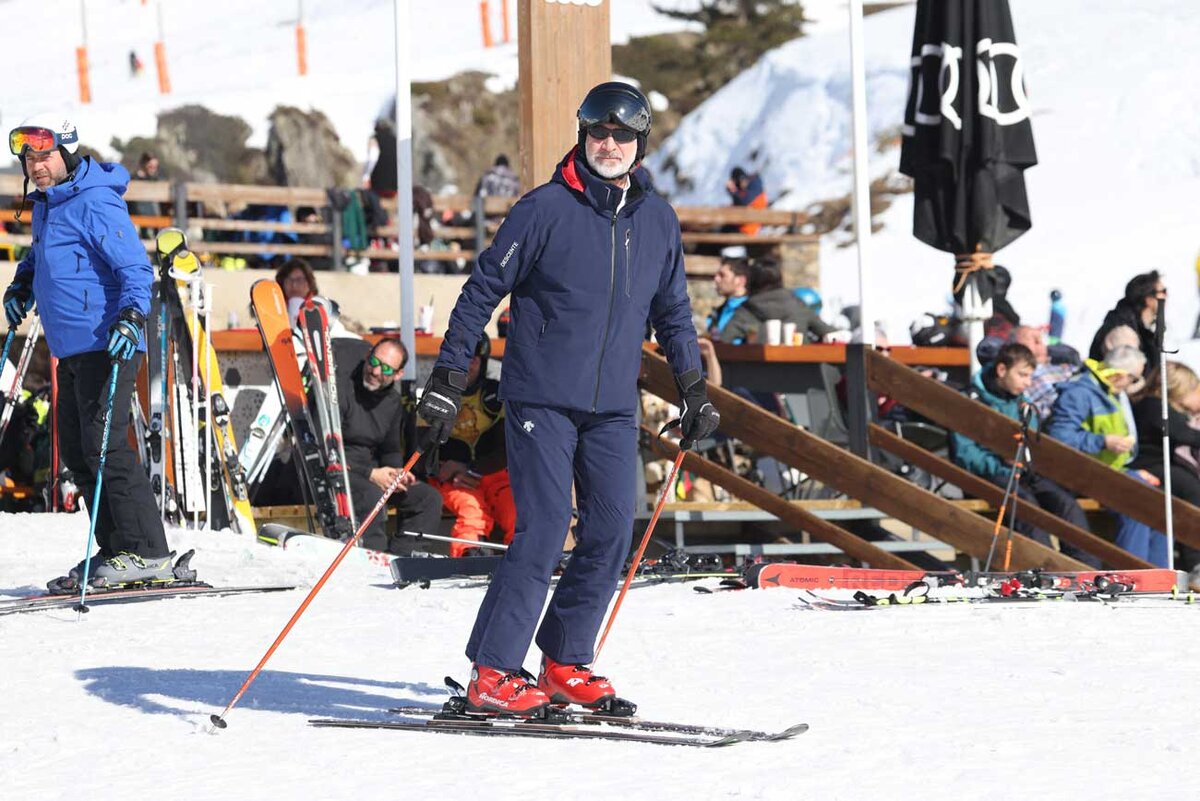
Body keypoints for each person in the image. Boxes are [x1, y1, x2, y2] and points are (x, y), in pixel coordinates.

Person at [416, 81, 719, 717]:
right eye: (598, 133)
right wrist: (446, 378)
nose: (609, 145)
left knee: (610, 529)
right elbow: (479, 293)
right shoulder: (542, 209)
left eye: (622, 136)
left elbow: (674, 313)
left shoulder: (658, 221)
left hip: (613, 405)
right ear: (582, 136)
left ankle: (563, 660)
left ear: (639, 145)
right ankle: (493, 671)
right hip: (541, 399)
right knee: (548, 525)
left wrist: (693, 389)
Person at [4, 114, 174, 586]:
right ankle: (117, 550)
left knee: (104, 446)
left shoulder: (95, 201)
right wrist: (22, 285)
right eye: (29, 159)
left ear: (66, 152)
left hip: (108, 343)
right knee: (78, 453)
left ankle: (148, 552)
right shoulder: (48, 204)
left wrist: (132, 316)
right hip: (71, 347)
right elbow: (42, 256)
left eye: (44, 156)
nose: (36, 166)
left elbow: (136, 269)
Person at [949, 343, 1100, 566]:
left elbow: (1035, 444)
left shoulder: (1023, 403)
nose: (1028, 383)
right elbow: (965, 453)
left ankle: (1085, 569)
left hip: (1025, 472)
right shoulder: (970, 400)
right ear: (1002, 370)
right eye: (1022, 375)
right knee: (1026, 505)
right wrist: (1001, 462)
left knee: (1065, 504)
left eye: (1030, 376)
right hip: (989, 474)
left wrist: (1028, 460)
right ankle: (1046, 570)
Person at [1046, 345, 1165, 564]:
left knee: (1160, 505)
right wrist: (1103, 441)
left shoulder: (1110, 392)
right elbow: (1059, 438)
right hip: (1080, 474)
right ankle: (1133, 574)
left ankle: (1160, 575)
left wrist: (1132, 471)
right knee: (1135, 504)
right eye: (1134, 379)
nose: (1133, 385)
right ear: (1120, 375)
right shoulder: (1079, 393)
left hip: (1107, 471)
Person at [334, 337, 443, 554]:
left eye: (385, 369)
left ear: (398, 374)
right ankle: (375, 558)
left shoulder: (392, 402)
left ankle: (403, 558)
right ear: (367, 356)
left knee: (428, 499)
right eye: (374, 362)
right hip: (341, 468)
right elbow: (326, 445)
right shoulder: (342, 389)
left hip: (372, 470)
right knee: (371, 495)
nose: (375, 371)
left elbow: (390, 449)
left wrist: (396, 473)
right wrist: (370, 473)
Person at [421, 337, 516, 558]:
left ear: (482, 362)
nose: (468, 364)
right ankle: (470, 557)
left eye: (474, 359)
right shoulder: (437, 396)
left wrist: (473, 469)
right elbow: (422, 448)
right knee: (472, 510)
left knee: (517, 511)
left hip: (492, 474)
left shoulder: (496, 395)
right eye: (463, 358)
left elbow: (507, 449)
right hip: (451, 477)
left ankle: (523, 562)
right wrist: (442, 468)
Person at [1129, 361, 1200, 570]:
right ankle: (1194, 558)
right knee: (1192, 489)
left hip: (1160, 464)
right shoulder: (1153, 405)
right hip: (1148, 464)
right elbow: (1181, 433)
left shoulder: (1162, 406)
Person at [718, 259, 834, 345]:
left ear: (751, 282)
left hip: (756, 369)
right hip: (801, 368)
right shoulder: (798, 306)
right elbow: (831, 334)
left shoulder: (745, 311)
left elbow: (723, 342)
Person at [1089, 271, 1166, 371]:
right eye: (1163, 292)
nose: (1166, 296)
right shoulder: (1123, 333)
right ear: (1149, 299)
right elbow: (1125, 376)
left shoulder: (1141, 328)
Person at [1011, 325, 1077, 419]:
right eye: (1034, 340)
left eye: (1040, 339)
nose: (1040, 344)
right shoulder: (1017, 376)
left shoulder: (1064, 366)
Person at [705, 246, 750, 338]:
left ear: (740, 280)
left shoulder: (751, 312)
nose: (716, 279)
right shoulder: (720, 311)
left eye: (722, 275)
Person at [725, 166, 767, 235]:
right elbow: (739, 205)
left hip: (748, 230)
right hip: (742, 226)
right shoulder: (746, 190)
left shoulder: (755, 185)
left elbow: (744, 202)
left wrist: (733, 191)